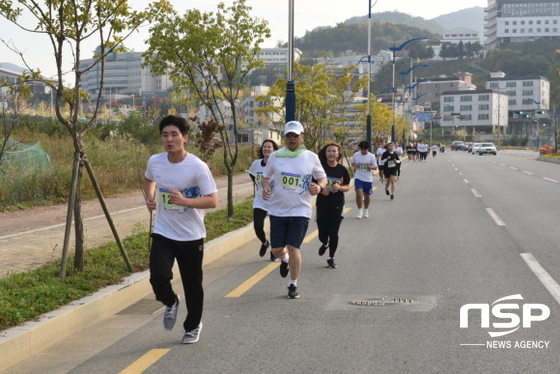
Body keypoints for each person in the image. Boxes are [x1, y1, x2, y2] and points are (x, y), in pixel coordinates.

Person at [143, 115, 218, 344]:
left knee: (192, 284)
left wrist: (185, 201)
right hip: (164, 231)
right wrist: (150, 196)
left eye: (174, 134)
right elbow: (148, 180)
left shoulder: (197, 167)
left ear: (185, 138)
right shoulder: (155, 161)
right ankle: (171, 301)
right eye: (165, 135)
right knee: (158, 277)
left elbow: (212, 200)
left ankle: (193, 325)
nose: (169, 139)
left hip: (191, 235)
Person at [261, 121, 326, 299]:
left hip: (300, 210)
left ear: (301, 137)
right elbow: (266, 177)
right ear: (285, 138)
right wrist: (266, 187)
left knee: (293, 247)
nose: (292, 139)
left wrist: (319, 188)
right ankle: (285, 260)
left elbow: (322, 178)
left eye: (295, 135)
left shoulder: (311, 157)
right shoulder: (276, 156)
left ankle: (292, 284)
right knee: (277, 250)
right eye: (289, 135)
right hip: (278, 210)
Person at [316, 142, 350, 269]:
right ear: (325, 153)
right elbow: (312, 183)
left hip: (337, 203)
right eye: (329, 151)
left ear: (338, 153)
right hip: (323, 203)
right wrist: (321, 189)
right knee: (322, 232)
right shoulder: (320, 168)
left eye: (334, 151)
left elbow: (347, 186)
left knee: (333, 232)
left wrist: (340, 187)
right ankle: (324, 243)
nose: (331, 153)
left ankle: (331, 257)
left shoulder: (342, 169)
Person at [248, 139, 279, 262]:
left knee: (274, 228)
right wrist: (260, 186)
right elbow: (252, 175)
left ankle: (274, 251)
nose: (266, 149)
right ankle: (265, 243)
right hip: (260, 200)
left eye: (269, 147)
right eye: (264, 147)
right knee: (257, 226)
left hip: (275, 200)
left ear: (274, 150)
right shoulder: (256, 164)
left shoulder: (278, 165)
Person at [350, 140, 378, 219]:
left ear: (367, 149)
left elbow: (375, 167)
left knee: (367, 196)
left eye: (365, 149)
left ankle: (366, 210)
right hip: (359, 177)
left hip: (368, 179)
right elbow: (352, 164)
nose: (363, 151)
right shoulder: (356, 155)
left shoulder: (371, 156)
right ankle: (359, 210)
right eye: (361, 149)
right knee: (358, 194)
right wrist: (356, 165)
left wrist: (369, 167)